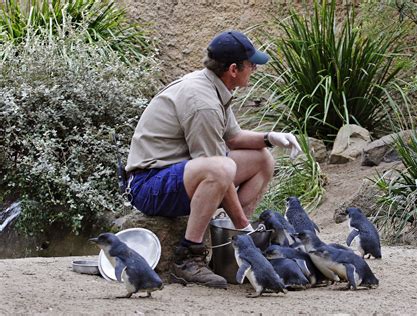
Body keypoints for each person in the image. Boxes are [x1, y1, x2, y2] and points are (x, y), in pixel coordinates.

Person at [125, 30, 302, 289]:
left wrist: (270, 138)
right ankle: (188, 257)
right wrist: (245, 226)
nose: (254, 68)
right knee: (221, 168)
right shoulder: (203, 103)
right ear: (233, 69)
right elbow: (218, 168)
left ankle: (228, 247)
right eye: (251, 64)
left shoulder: (215, 86)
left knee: (262, 160)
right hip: (149, 185)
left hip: (181, 175)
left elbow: (234, 138)